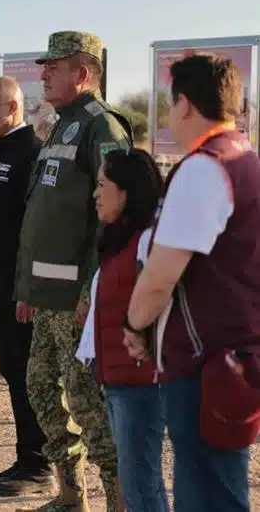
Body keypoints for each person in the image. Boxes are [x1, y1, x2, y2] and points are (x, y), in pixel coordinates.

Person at [124, 54, 260, 512]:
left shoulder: (205, 167)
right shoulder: (245, 158)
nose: (168, 117)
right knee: (219, 486)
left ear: (184, 104)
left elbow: (161, 274)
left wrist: (135, 325)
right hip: (232, 356)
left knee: (207, 494)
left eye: (170, 105)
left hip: (206, 362)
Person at [15, 31, 132, 512]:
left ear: (82, 73)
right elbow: (46, 213)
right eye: (44, 66)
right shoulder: (63, 125)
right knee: (41, 387)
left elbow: (115, 217)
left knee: (87, 401)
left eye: (54, 67)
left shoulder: (102, 127)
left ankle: (120, 499)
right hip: (50, 295)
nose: (44, 74)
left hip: (78, 299)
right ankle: (70, 494)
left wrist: (92, 290)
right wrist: (29, 287)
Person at [0, 77, 51, 494]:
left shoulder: (30, 154)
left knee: (28, 375)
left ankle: (39, 465)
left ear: (13, 106)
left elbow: (34, 231)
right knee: (13, 373)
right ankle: (25, 458)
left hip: (22, 293)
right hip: (1, 289)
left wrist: (28, 289)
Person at [76, 148, 168, 511]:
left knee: (138, 485)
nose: (95, 194)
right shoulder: (120, 239)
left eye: (102, 185)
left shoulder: (148, 240)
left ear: (127, 191)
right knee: (142, 483)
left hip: (141, 382)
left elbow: (163, 300)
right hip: (118, 378)